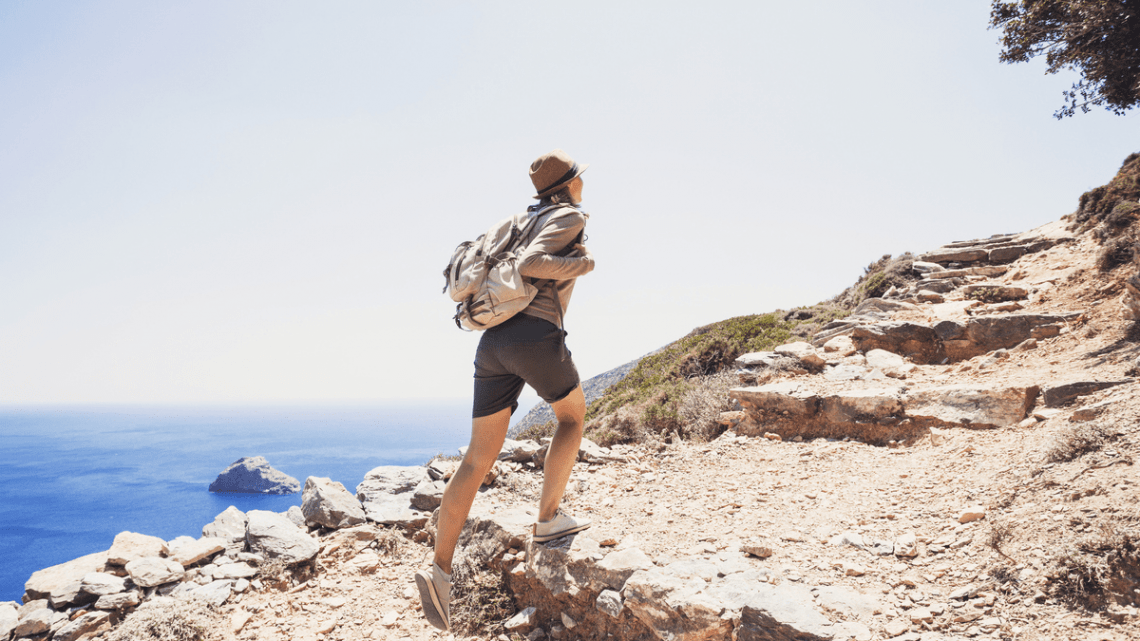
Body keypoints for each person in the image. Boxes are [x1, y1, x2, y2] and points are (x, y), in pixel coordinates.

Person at [416, 149, 596, 632]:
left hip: (492, 341)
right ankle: (549, 520)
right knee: (573, 416)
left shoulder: (521, 217)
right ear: (571, 183)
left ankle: (439, 571)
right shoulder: (569, 216)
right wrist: (585, 265)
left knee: (477, 459)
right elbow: (537, 264)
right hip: (534, 335)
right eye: (581, 176)